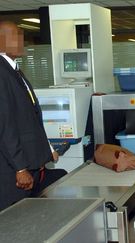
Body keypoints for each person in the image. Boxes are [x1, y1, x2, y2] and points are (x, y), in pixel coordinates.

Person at [0, 21, 66, 211]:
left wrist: (47, 148)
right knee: (15, 221)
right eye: (14, 36)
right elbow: (5, 126)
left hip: (30, 162)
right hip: (12, 170)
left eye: (20, 36)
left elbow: (30, 117)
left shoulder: (14, 69)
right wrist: (20, 169)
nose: (20, 41)